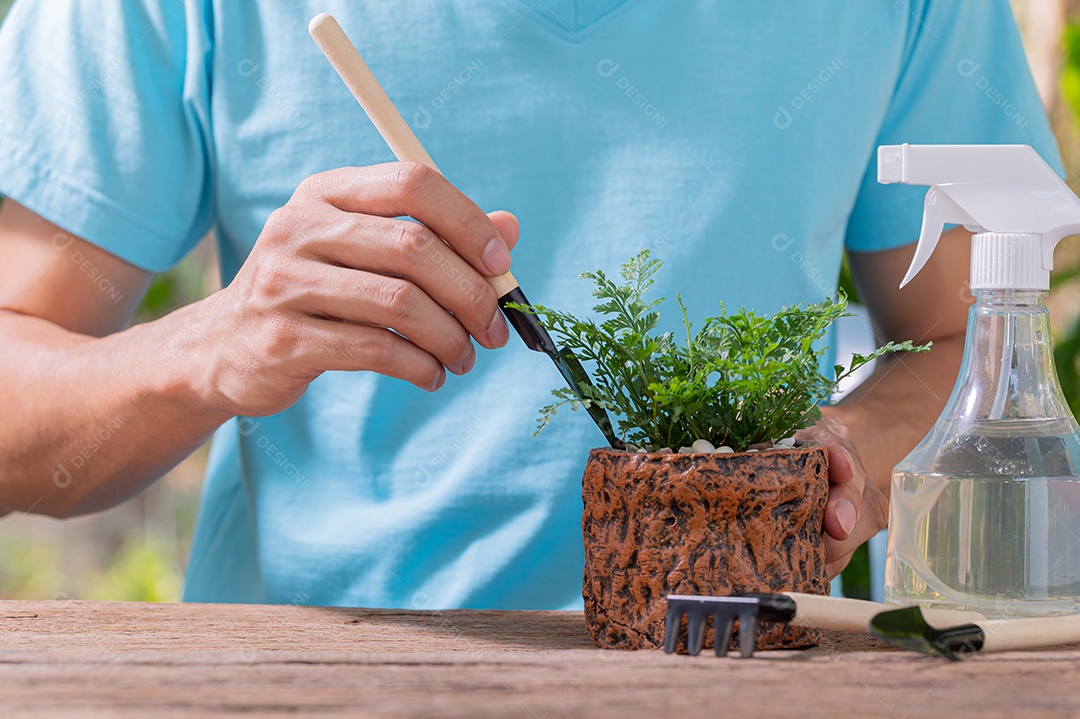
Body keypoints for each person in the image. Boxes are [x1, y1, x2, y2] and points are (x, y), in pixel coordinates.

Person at [0, 0, 1061, 608]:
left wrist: (852, 453)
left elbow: (974, 338)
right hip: (311, 679)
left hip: (740, 672)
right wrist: (210, 347)